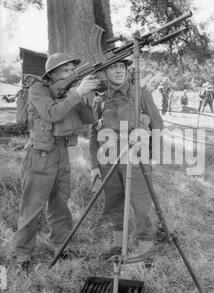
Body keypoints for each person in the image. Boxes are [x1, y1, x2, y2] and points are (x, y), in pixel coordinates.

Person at [14, 52, 100, 273]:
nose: (72, 73)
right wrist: (76, 93)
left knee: (60, 205)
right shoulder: (38, 90)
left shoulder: (70, 92)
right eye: (66, 71)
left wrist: (84, 95)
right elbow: (51, 113)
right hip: (40, 155)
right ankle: (23, 254)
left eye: (73, 70)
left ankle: (61, 248)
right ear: (52, 74)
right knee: (32, 206)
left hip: (61, 152)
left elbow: (90, 119)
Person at [88, 58, 163, 263]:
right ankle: (117, 248)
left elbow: (157, 124)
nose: (118, 71)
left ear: (127, 71)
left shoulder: (141, 94)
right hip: (108, 159)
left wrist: (154, 157)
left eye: (121, 66)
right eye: (113, 67)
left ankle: (145, 254)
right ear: (105, 74)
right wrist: (94, 166)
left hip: (137, 157)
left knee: (142, 205)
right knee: (113, 204)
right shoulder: (100, 100)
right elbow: (94, 134)